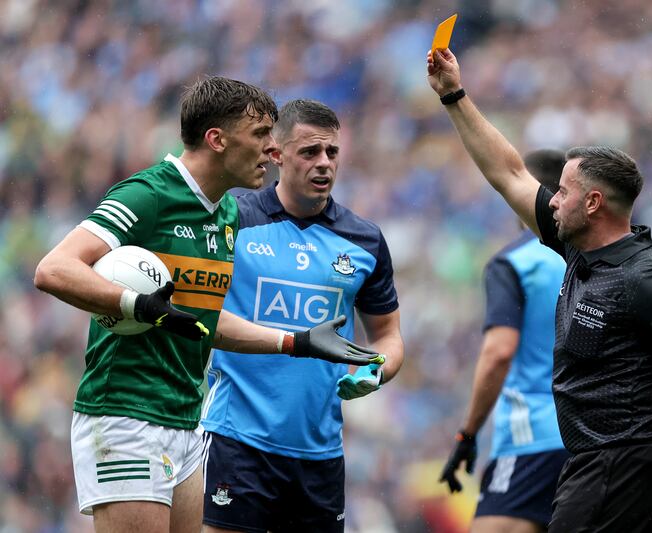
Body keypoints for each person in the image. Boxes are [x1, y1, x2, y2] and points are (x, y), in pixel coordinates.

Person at [33, 78, 381, 533]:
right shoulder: (150, 195)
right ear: (217, 139)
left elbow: (203, 323)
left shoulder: (227, 215)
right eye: (261, 135)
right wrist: (138, 304)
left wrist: (297, 342)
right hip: (126, 413)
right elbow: (54, 269)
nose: (273, 149)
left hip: (185, 421)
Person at [427, 48, 652, 532]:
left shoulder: (645, 278)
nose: (553, 201)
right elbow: (508, 174)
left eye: (563, 192)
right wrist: (454, 95)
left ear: (592, 203)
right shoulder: (577, 249)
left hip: (626, 466)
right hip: (592, 463)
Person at [200, 99, 404, 533]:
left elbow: (388, 336)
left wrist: (377, 370)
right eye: (310, 152)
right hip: (237, 439)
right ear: (276, 155)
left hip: (320, 455)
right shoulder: (234, 219)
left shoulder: (364, 241)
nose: (323, 162)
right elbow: (203, 316)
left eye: (331, 152)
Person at [439, 149, 571, 533]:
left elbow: (498, 352)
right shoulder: (596, 257)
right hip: (593, 438)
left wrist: (468, 432)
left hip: (534, 437)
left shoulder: (515, 262)